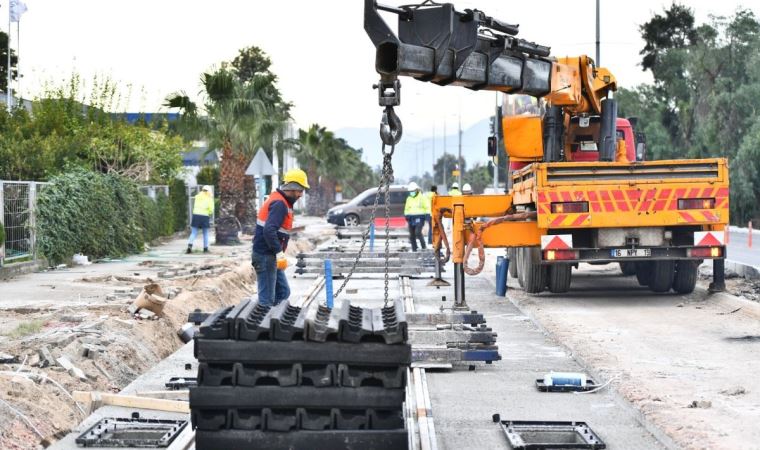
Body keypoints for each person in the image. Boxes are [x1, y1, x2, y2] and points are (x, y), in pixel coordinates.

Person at [252, 169, 310, 306]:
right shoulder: (280, 204)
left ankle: (274, 319)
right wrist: (279, 253)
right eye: (300, 190)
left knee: (283, 292)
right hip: (266, 256)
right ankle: (264, 324)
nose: (301, 194)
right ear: (293, 187)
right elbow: (269, 230)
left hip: (270, 255)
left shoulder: (282, 201)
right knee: (266, 300)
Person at [187, 185, 214, 254]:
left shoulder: (197, 197)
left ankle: (189, 246)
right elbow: (211, 209)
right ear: (209, 191)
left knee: (193, 232)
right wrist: (209, 213)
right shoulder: (209, 198)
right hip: (204, 216)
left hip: (196, 215)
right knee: (205, 233)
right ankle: (205, 249)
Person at [404, 182, 427, 252]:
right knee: (412, 235)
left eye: (413, 191)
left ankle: (423, 246)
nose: (411, 192)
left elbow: (427, 207)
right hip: (411, 218)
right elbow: (406, 209)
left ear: (416, 190)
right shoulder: (409, 199)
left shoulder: (422, 198)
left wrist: (427, 216)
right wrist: (406, 215)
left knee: (418, 232)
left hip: (420, 218)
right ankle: (414, 249)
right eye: (410, 191)